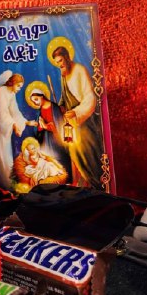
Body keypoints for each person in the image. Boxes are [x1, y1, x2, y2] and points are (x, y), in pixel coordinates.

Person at [51, 45, 104, 189]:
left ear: (67, 58)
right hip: (71, 123)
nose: (59, 65)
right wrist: (59, 107)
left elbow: (89, 97)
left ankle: (95, 183)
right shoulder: (64, 74)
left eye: (61, 61)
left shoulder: (79, 70)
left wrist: (76, 112)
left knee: (85, 151)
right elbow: (65, 97)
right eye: (57, 63)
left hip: (84, 121)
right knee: (73, 151)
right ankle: (83, 182)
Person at [0, 73, 36, 189]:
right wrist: (14, 125)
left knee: (7, 151)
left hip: (6, 124)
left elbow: (14, 111)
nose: (19, 89)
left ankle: (9, 181)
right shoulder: (2, 91)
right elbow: (2, 112)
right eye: (18, 86)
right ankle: (5, 182)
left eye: (21, 87)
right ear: (13, 83)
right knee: (1, 151)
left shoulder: (12, 93)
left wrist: (26, 122)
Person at [26, 85, 72, 181]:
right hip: (45, 141)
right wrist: (40, 126)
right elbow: (37, 130)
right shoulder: (39, 111)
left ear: (42, 96)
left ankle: (65, 180)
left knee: (59, 159)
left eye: (36, 99)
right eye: (33, 101)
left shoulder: (54, 108)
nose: (35, 102)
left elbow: (60, 125)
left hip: (56, 140)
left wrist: (47, 126)